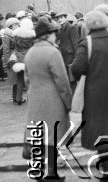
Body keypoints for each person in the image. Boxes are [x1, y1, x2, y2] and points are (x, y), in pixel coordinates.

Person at [70, 11, 108, 181]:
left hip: (95, 97)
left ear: (88, 26)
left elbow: (77, 69)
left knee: (101, 132)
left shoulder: (87, 43)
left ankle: (107, 172)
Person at [22, 17, 72, 179]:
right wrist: (69, 103)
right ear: (47, 35)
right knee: (52, 137)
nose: (55, 36)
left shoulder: (30, 52)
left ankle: (37, 172)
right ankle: (51, 173)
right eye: (53, 33)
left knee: (38, 135)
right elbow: (62, 81)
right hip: (53, 100)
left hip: (35, 99)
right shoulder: (53, 52)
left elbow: (27, 79)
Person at [7, 18, 35, 105]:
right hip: (29, 58)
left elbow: (15, 46)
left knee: (19, 79)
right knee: (29, 79)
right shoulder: (32, 35)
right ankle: (30, 98)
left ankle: (18, 98)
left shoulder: (16, 34)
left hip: (19, 58)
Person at [55, 11, 79, 92]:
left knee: (72, 78)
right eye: (58, 19)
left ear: (65, 18)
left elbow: (75, 43)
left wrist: (76, 58)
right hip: (63, 55)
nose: (59, 20)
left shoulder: (71, 27)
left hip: (70, 56)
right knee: (67, 77)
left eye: (61, 18)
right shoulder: (61, 29)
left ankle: (75, 96)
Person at [3, 17, 20, 100]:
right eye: (15, 25)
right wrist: (7, 62)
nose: (17, 26)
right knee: (15, 79)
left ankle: (16, 96)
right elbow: (6, 50)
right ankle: (16, 97)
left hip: (16, 57)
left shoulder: (16, 34)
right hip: (12, 59)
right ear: (10, 26)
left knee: (17, 78)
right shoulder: (7, 36)